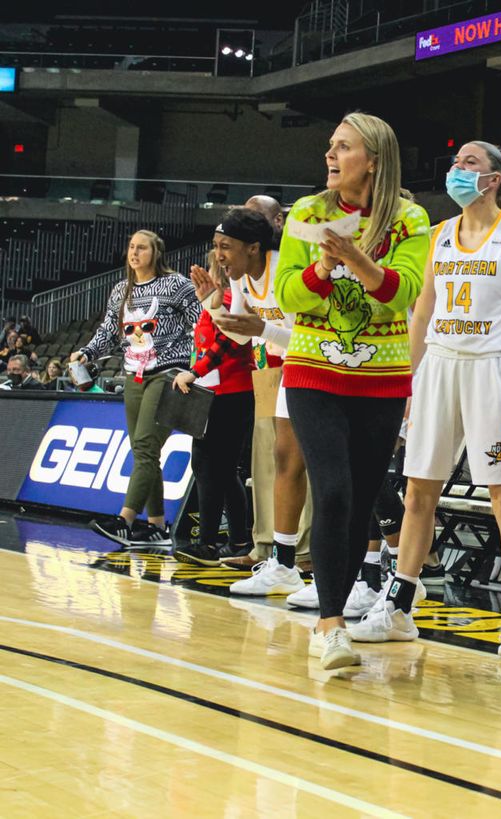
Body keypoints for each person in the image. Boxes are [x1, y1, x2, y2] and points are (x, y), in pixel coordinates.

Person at [347, 139, 501, 662]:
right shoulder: (438, 235)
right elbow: (420, 317)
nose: (456, 170)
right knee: (418, 492)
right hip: (439, 365)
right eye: (456, 161)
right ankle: (399, 606)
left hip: (494, 369)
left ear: (494, 178)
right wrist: (405, 379)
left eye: (470, 163)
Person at [275, 112, 430, 670]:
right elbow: (289, 295)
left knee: (363, 499)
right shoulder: (306, 213)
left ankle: (338, 609)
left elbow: (400, 293)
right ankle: (330, 624)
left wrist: (356, 257)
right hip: (314, 370)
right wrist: (322, 267)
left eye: (343, 147)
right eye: (330, 146)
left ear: (374, 159)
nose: (330, 156)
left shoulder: (411, 218)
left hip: (383, 379)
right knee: (335, 491)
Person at [73, 229, 202, 547]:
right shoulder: (121, 290)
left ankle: (125, 520)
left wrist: (197, 368)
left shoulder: (176, 285)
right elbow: (107, 328)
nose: (134, 253)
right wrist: (87, 352)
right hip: (134, 376)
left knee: (145, 447)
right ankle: (157, 527)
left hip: (169, 374)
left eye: (141, 248)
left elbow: (202, 325)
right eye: (131, 247)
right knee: (146, 453)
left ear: (155, 253)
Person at [216, 197, 314, 592]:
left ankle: (321, 559)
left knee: (308, 466)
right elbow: (243, 333)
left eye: (225, 247)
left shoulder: (284, 271)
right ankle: (282, 560)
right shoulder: (239, 278)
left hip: (314, 365)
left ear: (253, 248)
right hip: (283, 367)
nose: (219, 255)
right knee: (283, 460)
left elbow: (308, 337)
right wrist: (212, 304)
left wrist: (263, 331)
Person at [172, 238, 260, 567]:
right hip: (213, 393)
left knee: (213, 469)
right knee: (218, 471)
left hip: (231, 393)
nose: (214, 269)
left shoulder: (228, 302)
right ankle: (237, 539)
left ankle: (208, 542)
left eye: (218, 264)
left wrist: (194, 372)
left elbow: (224, 345)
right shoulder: (214, 303)